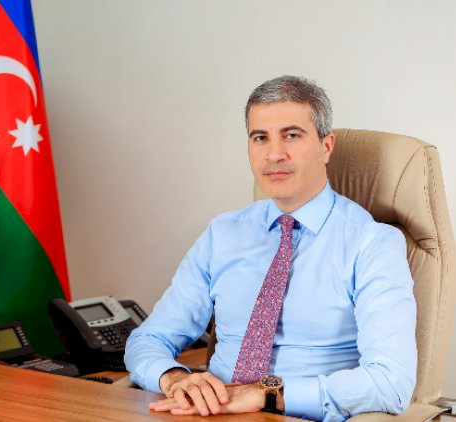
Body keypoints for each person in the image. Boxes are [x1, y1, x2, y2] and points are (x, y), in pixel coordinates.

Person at [124, 75, 417, 421]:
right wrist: (174, 378)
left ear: (326, 146)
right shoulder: (223, 234)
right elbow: (149, 338)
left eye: (292, 135)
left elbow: (391, 383)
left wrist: (266, 394)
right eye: (260, 138)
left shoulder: (372, 243)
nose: (274, 155)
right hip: (211, 413)